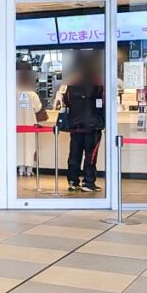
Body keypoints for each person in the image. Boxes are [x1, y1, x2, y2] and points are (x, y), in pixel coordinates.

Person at [59, 54, 104, 192]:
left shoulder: (72, 82)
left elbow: (66, 100)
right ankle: (88, 182)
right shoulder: (99, 82)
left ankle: (73, 181)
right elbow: (105, 101)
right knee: (91, 155)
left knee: (74, 154)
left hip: (75, 125)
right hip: (93, 125)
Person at [15, 61, 47, 176]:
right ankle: (29, 169)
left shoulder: (11, 92)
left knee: (18, 145)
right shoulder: (32, 94)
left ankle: (20, 168)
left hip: (16, 125)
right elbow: (38, 108)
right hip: (30, 125)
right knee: (30, 145)